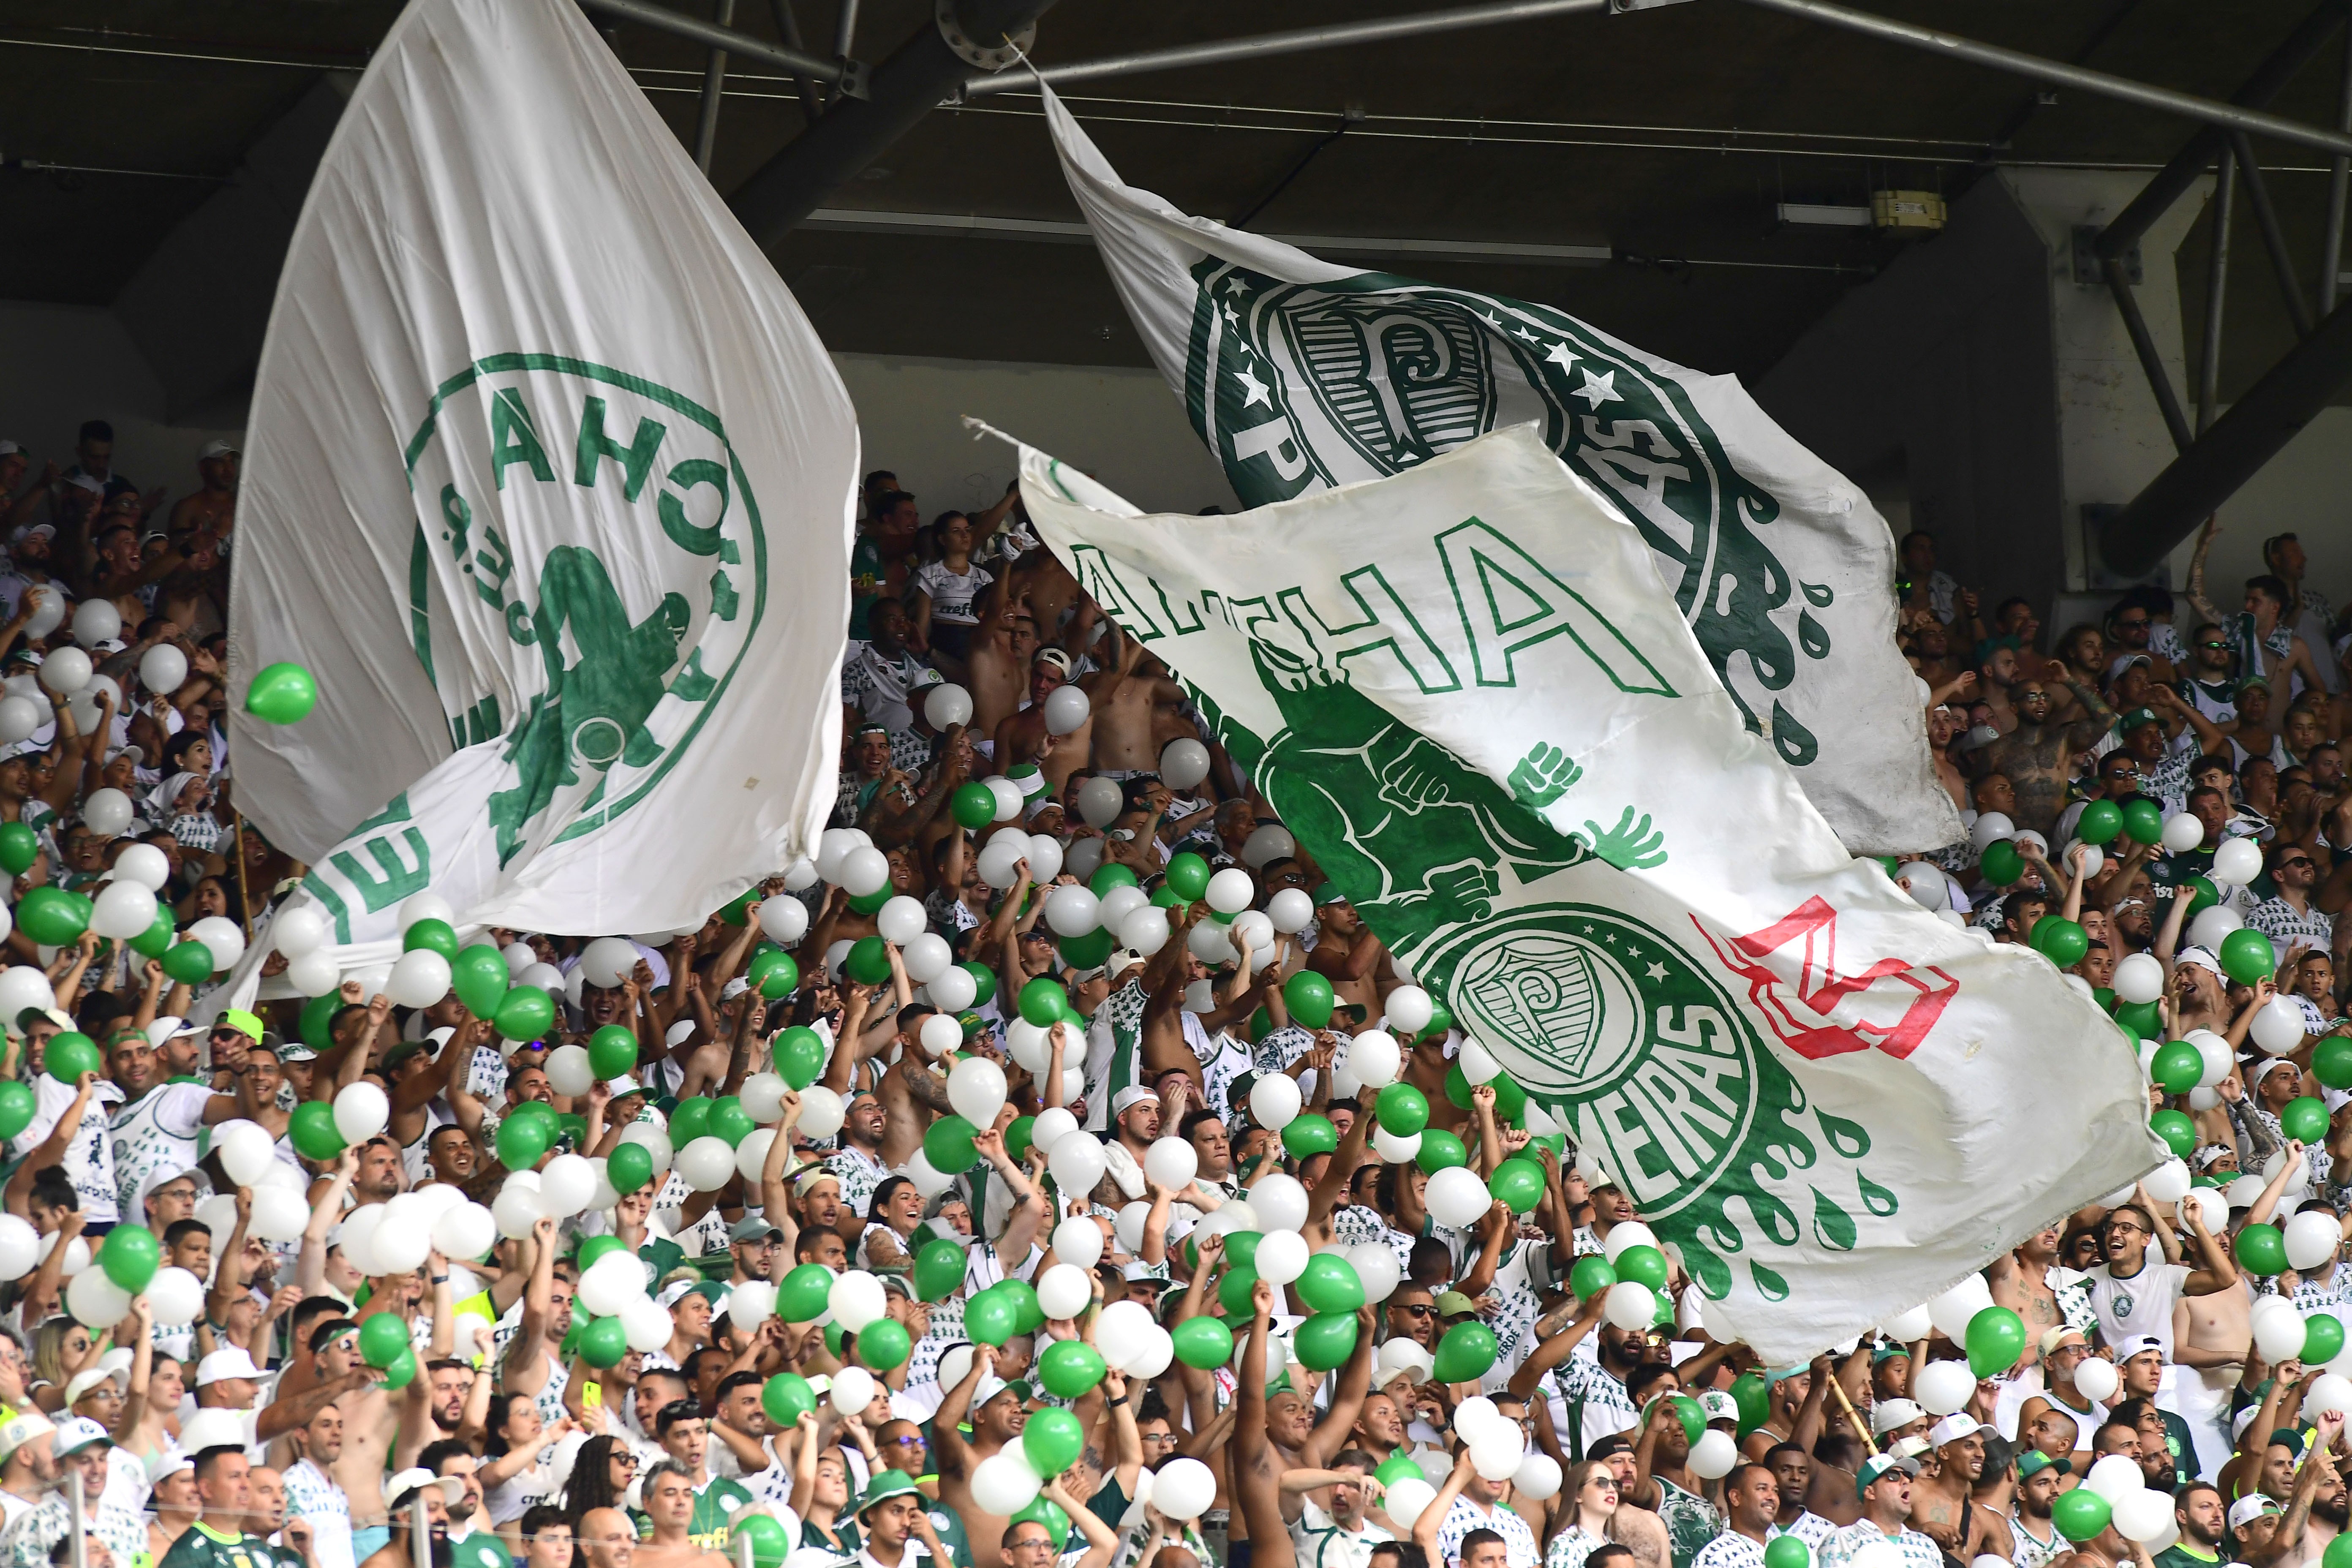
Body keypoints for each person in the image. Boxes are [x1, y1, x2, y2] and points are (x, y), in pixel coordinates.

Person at [1816, 1456, 1938, 1568]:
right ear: (1870, 1492)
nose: (1906, 1480)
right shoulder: (1842, 1540)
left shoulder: (1927, 1544)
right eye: (1893, 1476)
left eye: (1908, 1476)